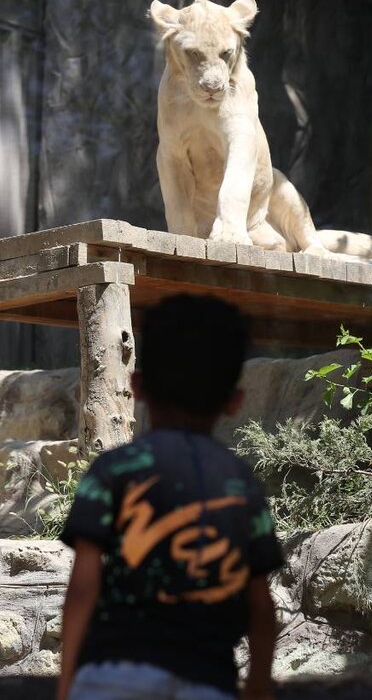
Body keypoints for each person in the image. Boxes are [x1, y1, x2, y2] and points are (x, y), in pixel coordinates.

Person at [56, 295, 281, 700]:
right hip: (208, 683)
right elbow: (261, 608)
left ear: (137, 385)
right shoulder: (241, 484)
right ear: (235, 401)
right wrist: (259, 685)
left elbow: (83, 585)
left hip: (110, 678)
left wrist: (68, 681)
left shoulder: (113, 471)